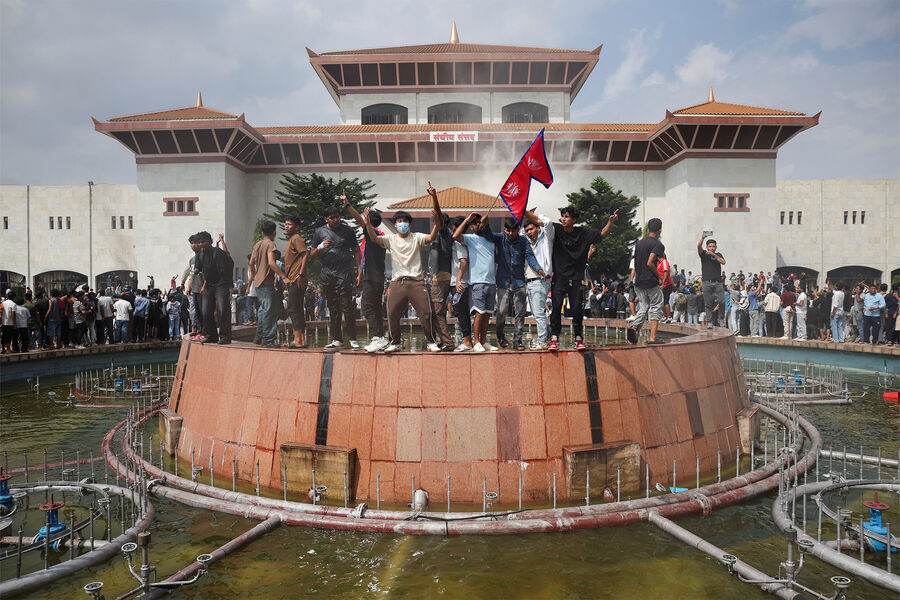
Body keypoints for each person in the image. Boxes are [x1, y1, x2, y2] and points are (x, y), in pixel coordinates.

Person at [363, 182, 443, 353]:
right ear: (395, 224)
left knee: (426, 313)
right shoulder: (390, 239)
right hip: (397, 282)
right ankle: (395, 342)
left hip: (417, 282)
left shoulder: (417, 237)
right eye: (399, 221)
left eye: (405, 221)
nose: (402, 223)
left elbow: (432, 236)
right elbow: (374, 239)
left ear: (410, 224)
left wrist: (436, 220)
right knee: (392, 313)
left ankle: (431, 342)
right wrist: (367, 223)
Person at [546, 205, 619, 351]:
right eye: (562, 216)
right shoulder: (557, 229)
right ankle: (554, 338)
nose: (563, 219)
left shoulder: (584, 233)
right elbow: (539, 222)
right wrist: (523, 211)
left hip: (576, 278)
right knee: (556, 307)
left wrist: (610, 222)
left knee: (577, 310)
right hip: (559, 278)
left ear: (574, 219)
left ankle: (578, 338)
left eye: (567, 217)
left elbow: (602, 234)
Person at [477, 217, 541, 351]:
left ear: (518, 230)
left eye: (513, 230)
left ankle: (518, 340)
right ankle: (501, 336)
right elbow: (488, 235)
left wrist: (538, 269)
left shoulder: (523, 241)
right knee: (501, 311)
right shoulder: (500, 238)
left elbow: (530, 256)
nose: (510, 234)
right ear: (505, 229)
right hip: (503, 282)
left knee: (520, 312)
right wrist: (486, 225)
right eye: (508, 230)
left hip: (519, 282)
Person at [310, 205, 361, 349]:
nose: (336, 219)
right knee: (332, 306)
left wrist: (359, 270)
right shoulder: (319, 232)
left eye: (337, 216)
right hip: (327, 272)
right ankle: (337, 339)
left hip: (344, 272)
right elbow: (312, 255)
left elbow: (356, 250)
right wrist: (320, 247)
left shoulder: (348, 230)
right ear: (326, 219)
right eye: (332, 217)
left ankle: (353, 339)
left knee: (347, 306)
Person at [342, 194, 387, 353]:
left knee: (367, 306)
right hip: (374, 275)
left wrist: (348, 205)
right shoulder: (379, 235)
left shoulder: (372, 233)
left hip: (373, 277)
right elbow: (364, 258)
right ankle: (380, 337)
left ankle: (378, 337)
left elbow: (359, 221)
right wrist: (360, 273)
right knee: (375, 308)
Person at [453, 212, 499, 352]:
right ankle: (476, 341)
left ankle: (483, 341)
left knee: (487, 313)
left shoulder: (491, 238)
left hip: (491, 282)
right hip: (477, 282)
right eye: (474, 223)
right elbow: (455, 236)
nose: (477, 224)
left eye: (479, 222)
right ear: (471, 226)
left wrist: (487, 223)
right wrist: (467, 219)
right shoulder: (470, 238)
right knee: (479, 313)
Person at [249, 221, 289, 348]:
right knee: (269, 311)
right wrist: (283, 276)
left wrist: (254, 275)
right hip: (267, 282)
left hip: (258, 282)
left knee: (263, 309)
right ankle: (268, 339)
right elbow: (272, 263)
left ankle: (259, 337)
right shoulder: (271, 244)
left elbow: (251, 263)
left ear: (262, 232)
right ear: (274, 232)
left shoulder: (257, 244)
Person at [627, 218, 665, 344]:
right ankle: (653, 338)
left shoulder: (639, 243)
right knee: (656, 307)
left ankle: (634, 327)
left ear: (648, 229)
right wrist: (659, 276)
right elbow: (650, 263)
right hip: (651, 281)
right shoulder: (657, 244)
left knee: (643, 307)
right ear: (660, 230)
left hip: (639, 281)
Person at [195, 231, 234, 345]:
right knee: (206, 311)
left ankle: (225, 336)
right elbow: (197, 268)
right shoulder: (199, 255)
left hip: (221, 283)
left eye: (203, 241)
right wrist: (195, 271)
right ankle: (211, 335)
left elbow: (223, 270)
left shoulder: (218, 252)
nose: (201, 244)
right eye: (199, 242)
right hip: (209, 285)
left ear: (210, 242)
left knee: (222, 310)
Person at [522, 210, 555, 347]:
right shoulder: (528, 243)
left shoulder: (546, 239)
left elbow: (548, 223)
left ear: (538, 228)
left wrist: (534, 216)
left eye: (531, 229)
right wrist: (526, 216)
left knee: (539, 313)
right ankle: (548, 337)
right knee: (536, 313)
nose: (529, 232)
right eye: (527, 231)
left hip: (540, 280)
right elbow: (520, 232)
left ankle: (542, 341)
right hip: (530, 281)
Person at [449, 217, 473, 351]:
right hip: (459, 282)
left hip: (460, 283)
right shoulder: (462, 241)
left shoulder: (459, 243)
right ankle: (467, 340)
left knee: (462, 312)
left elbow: (463, 261)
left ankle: (467, 342)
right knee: (460, 311)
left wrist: (458, 280)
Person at [697, 234, 726, 328]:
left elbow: (723, 262)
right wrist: (702, 238)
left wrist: (714, 255)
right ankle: (709, 321)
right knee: (708, 303)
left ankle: (721, 319)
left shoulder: (718, 254)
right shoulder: (703, 254)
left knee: (722, 301)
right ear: (707, 247)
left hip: (717, 282)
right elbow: (698, 247)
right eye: (710, 246)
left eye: (713, 246)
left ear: (716, 247)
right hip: (706, 282)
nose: (712, 248)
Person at [181, 234, 204, 334]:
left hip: (203, 289)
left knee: (204, 312)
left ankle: (204, 331)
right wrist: (188, 286)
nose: (193, 245)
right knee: (196, 311)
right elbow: (192, 275)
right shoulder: (192, 260)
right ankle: (197, 330)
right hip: (194, 289)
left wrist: (204, 286)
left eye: (195, 243)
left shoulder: (204, 257)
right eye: (191, 243)